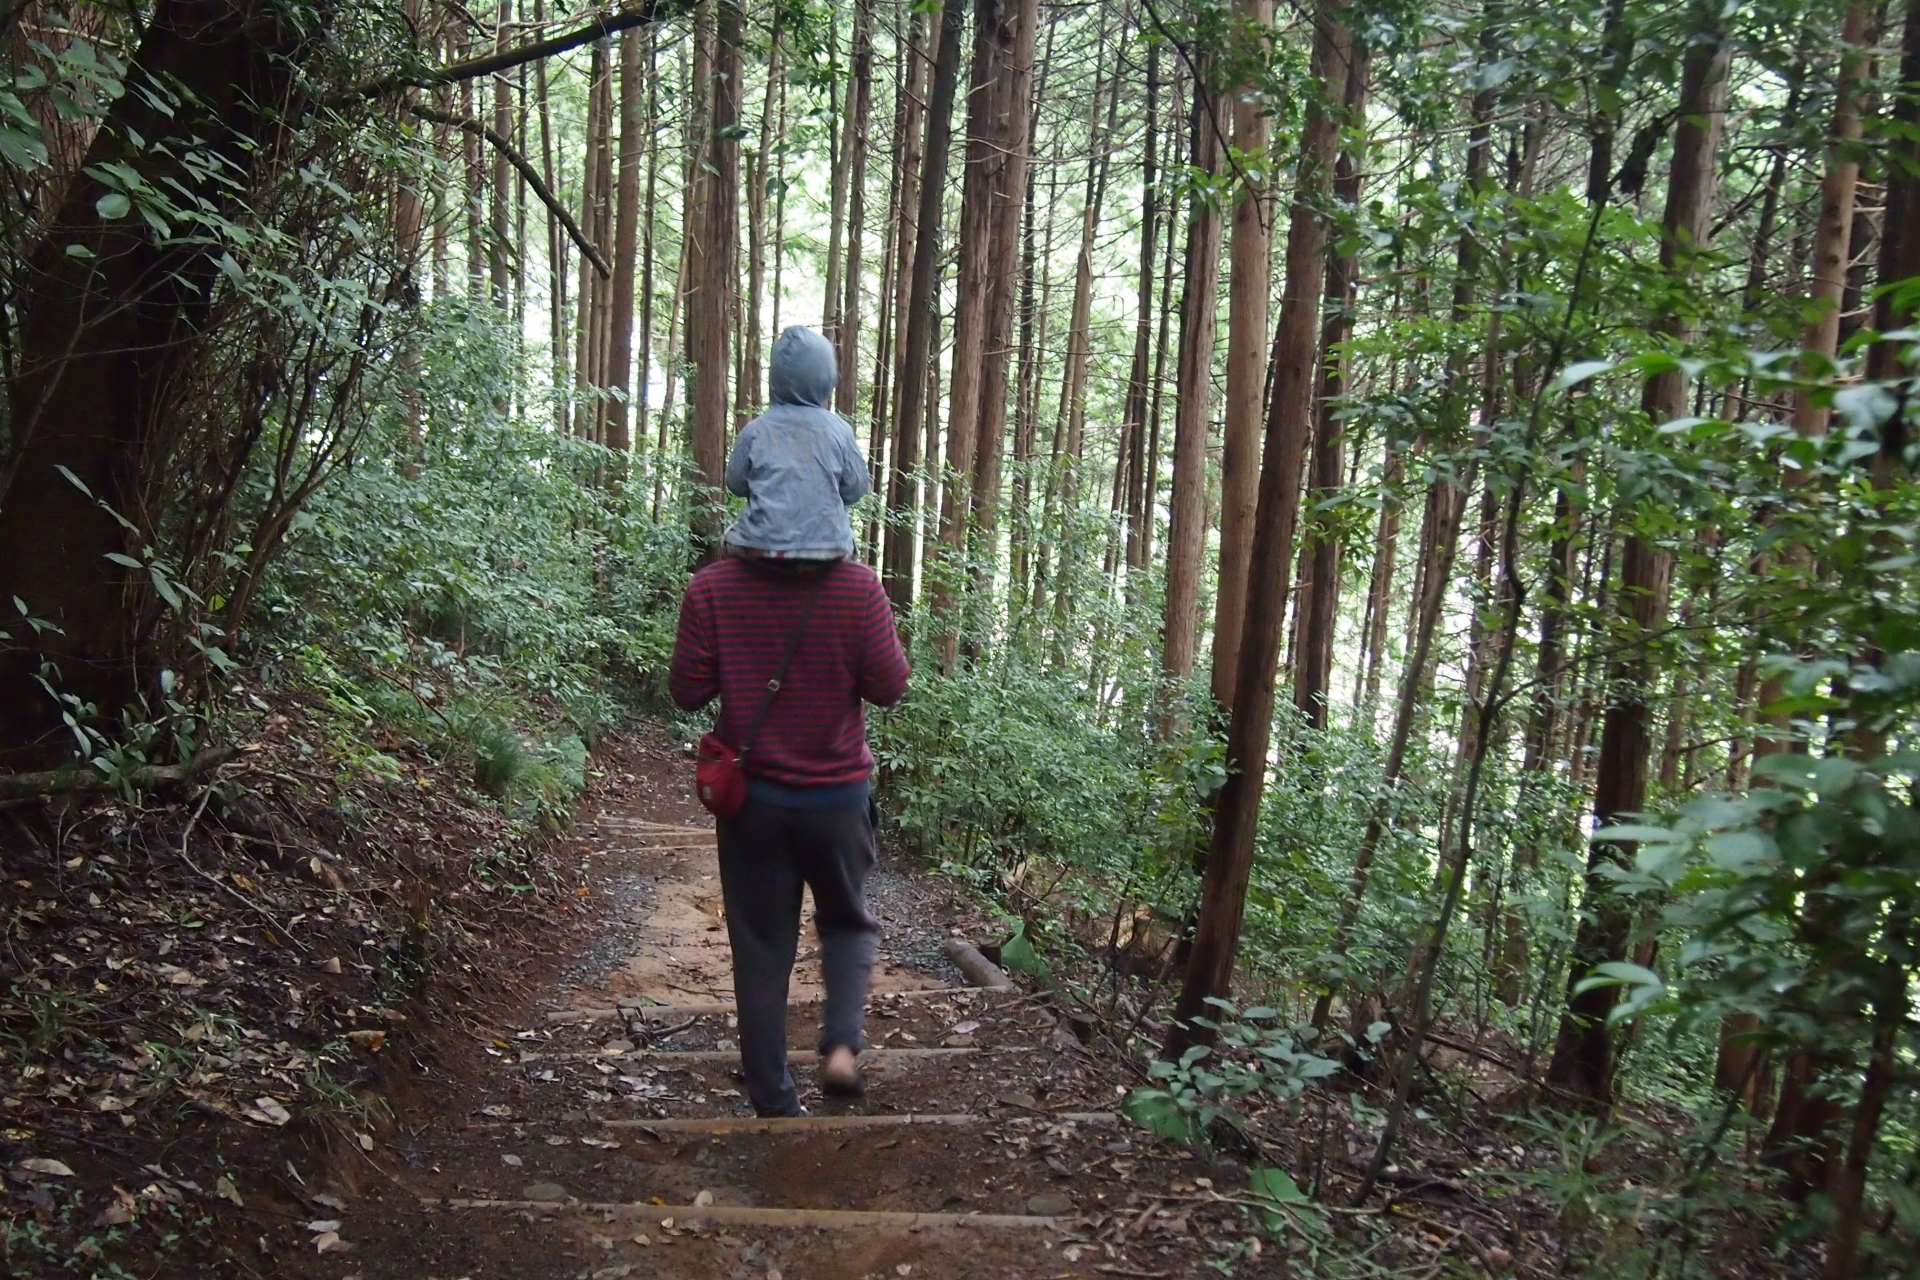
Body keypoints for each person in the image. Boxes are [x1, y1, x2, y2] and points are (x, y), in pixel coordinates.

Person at [668, 331, 909, 1119]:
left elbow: (685, 691)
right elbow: (890, 686)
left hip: (756, 806)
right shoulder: (859, 591)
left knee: (762, 947)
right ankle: (840, 1052)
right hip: (837, 798)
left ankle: (773, 1096)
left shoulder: (712, 588)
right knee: (846, 924)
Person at [723, 326, 871, 561]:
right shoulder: (839, 431)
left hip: (761, 547)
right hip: (830, 549)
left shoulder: (755, 430)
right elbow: (856, 489)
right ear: (827, 376)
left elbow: (735, 484)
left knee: (729, 537)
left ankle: (739, 591)